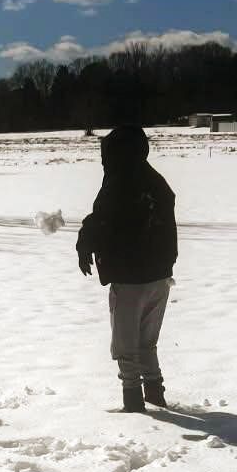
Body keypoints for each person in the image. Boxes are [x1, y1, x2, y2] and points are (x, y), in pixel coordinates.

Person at [76, 125, 178, 413]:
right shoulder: (156, 181)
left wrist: (85, 242)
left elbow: (104, 220)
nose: (103, 160)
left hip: (130, 277)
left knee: (126, 344)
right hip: (160, 276)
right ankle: (155, 393)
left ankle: (133, 403)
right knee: (147, 342)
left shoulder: (119, 181)